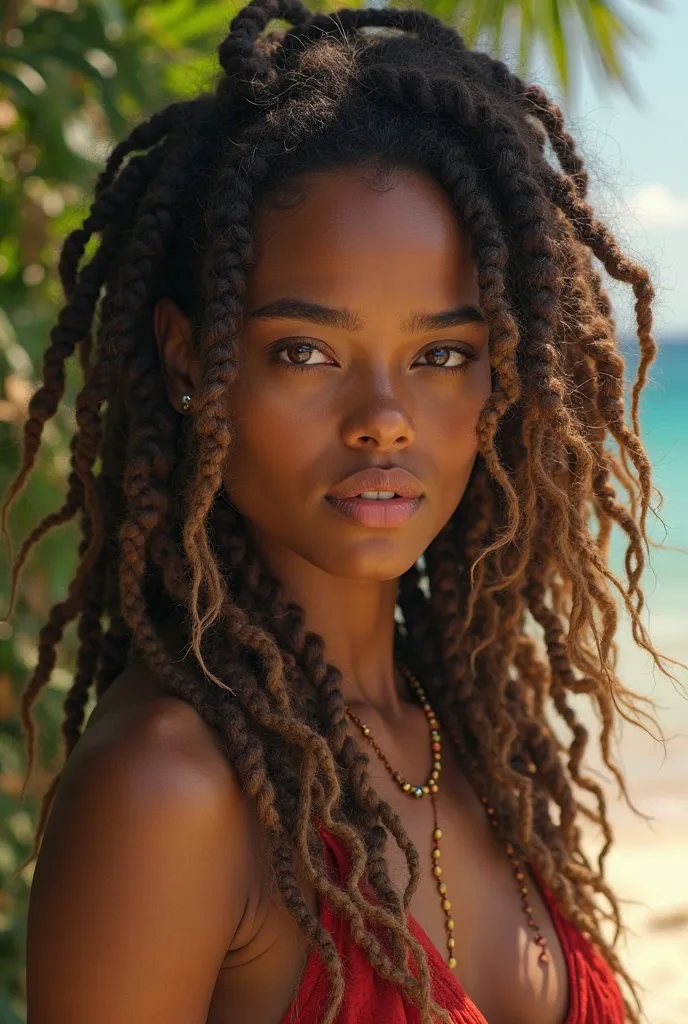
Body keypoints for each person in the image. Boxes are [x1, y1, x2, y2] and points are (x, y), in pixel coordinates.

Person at [2, 1, 671, 1021]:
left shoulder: (468, 732)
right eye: (306, 352)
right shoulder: (169, 791)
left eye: (442, 354)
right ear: (191, 360)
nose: (384, 422)